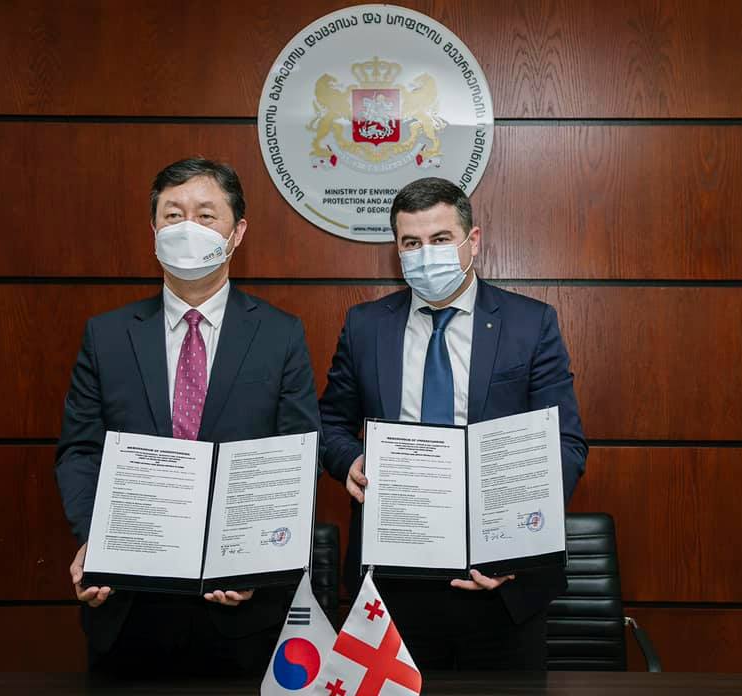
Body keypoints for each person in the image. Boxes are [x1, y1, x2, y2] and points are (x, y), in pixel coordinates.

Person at [55, 158, 321, 677]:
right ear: (153, 231)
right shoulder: (107, 336)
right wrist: (96, 539)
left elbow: (297, 455)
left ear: (237, 232)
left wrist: (254, 559)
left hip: (241, 612)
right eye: (173, 215)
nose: (188, 228)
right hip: (129, 603)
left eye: (206, 215)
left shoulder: (281, 335)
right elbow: (80, 451)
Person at [319, 176, 587, 670]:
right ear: (397, 250)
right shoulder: (365, 326)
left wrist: (519, 544)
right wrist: (348, 459)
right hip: (392, 585)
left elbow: (565, 445)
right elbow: (330, 423)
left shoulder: (530, 324)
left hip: (501, 585)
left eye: (440, 239)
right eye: (411, 243)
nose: (426, 254)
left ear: (473, 240)